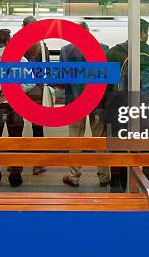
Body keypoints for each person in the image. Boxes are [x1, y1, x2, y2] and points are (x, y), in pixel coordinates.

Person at [106, 18, 149, 192]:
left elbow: (105, 87)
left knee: (118, 153)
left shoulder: (113, 53)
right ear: (142, 33)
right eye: (146, 33)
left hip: (120, 111)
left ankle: (118, 191)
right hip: (148, 111)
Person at [0, 29, 34, 187]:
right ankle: (15, 177)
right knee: (15, 141)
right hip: (16, 107)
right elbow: (30, 83)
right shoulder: (21, 61)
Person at [60, 21, 110, 188]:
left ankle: (74, 176)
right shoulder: (103, 48)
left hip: (75, 103)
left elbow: (63, 80)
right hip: (97, 103)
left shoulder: (66, 51)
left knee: (75, 140)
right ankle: (104, 176)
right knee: (100, 140)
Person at [21, 16, 49, 175]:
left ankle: (14, 165)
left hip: (19, 89)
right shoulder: (42, 45)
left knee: (15, 128)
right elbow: (47, 69)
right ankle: (38, 164)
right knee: (38, 128)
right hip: (37, 91)